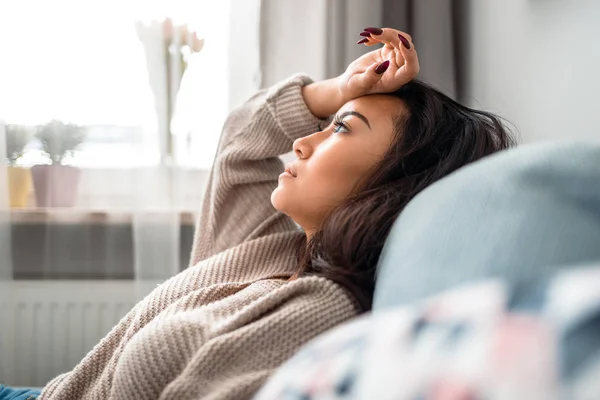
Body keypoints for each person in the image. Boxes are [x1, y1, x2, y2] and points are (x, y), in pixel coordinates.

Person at [8, 27, 512, 400]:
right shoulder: (275, 246)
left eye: (340, 129)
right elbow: (239, 141)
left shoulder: (323, 309)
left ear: (399, 175)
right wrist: (339, 91)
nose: (301, 141)